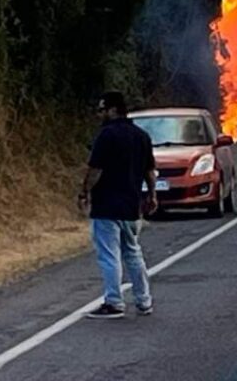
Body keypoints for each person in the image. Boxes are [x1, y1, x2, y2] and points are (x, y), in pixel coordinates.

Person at [77, 91, 157, 319]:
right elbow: (150, 172)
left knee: (109, 254)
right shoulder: (141, 136)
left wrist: (84, 191)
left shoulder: (106, 135)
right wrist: (152, 195)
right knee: (133, 252)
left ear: (112, 110)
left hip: (107, 205)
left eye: (101, 110)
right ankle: (144, 300)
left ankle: (114, 302)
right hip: (132, 205)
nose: (99, 114)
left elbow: (96, 170)